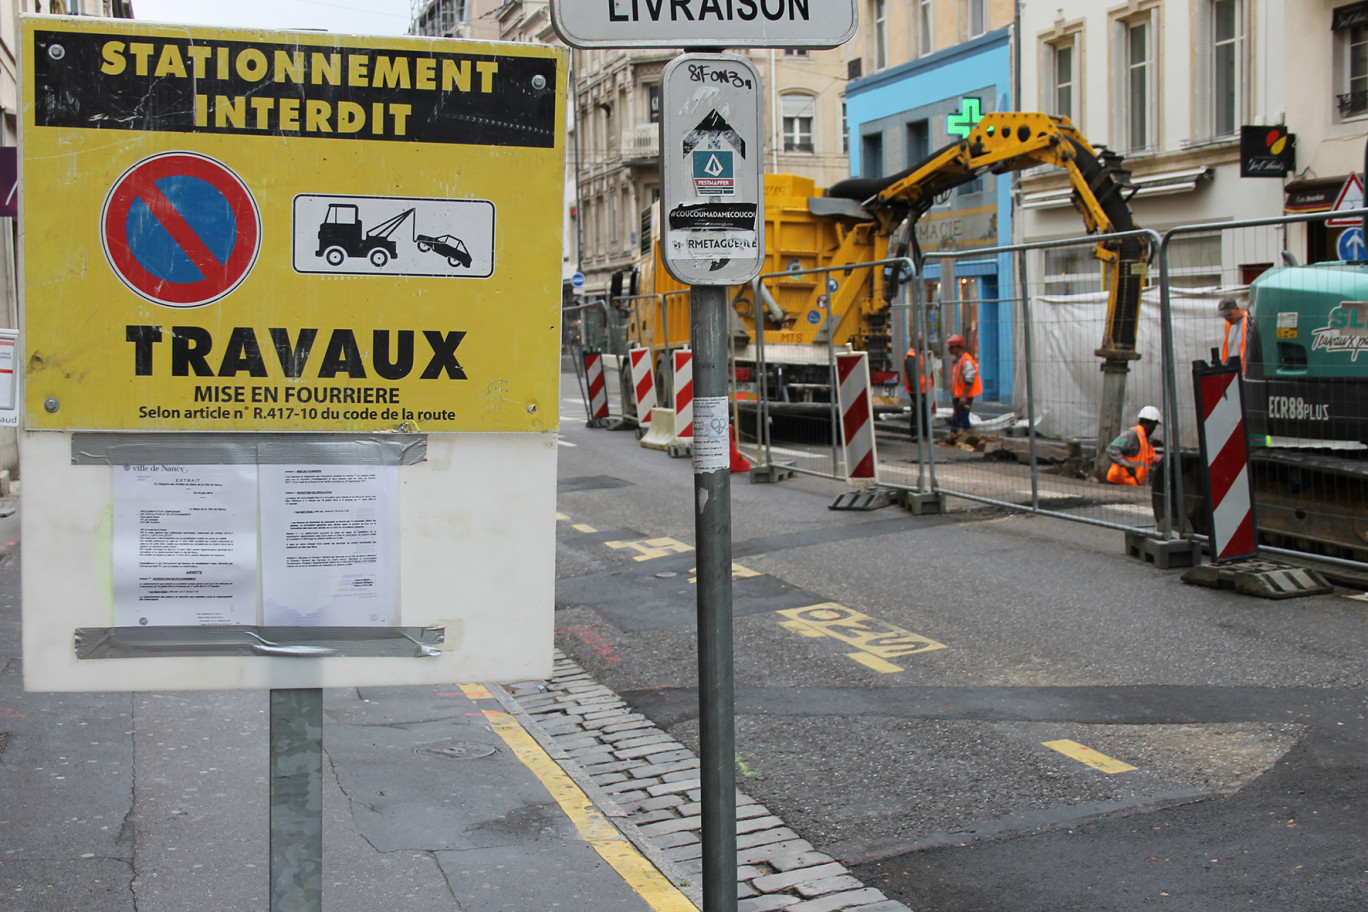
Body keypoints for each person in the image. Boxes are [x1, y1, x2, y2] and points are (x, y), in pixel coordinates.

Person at [1106, 406, 1162, 486]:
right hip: (1118, 483)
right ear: (1152, 424)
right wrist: (1125, 464)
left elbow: (1144, 459)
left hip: (1132, 484)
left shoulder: (1145, 440)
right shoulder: (1132, 435)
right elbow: (1112, 449)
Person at [947, 334, 981, 433]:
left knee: (963, 418)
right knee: (957, 419)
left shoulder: (966, 361)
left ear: (958, 347)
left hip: (964, 396)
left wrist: (964, 396)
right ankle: (955, 439)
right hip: (959, 396)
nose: (949, 349)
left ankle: (966, 438)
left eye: (951, 347)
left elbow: (969, 379)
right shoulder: (958, 361)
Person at [904, 340, 934, 440]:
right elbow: (913, 377)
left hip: (922, 390)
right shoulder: (912, 356)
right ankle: (915, 434)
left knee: (923, 411)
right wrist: (917, 393)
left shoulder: (918, 355)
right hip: (918, 391)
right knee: (917, 411)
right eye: (924, 343)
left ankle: (924, 434)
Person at [1218, 297, 1248, 373]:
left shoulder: (1250, 323)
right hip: (1232, 372)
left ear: (1237, 309)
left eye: (1229, 315)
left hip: (1245, 372)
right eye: (1224, 316)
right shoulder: (1228, 325)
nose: (1227, 318)